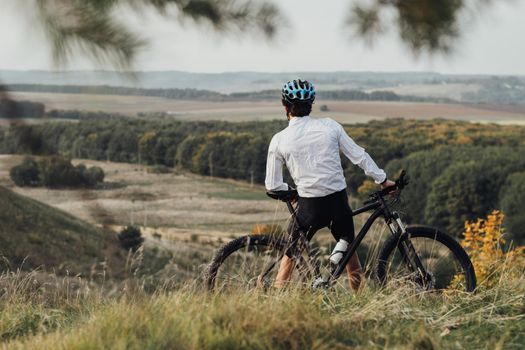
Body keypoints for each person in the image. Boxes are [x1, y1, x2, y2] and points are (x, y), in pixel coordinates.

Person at [264, 79, 395, 291]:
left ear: (285, 106)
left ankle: (276, 298)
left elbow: (273, 185)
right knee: (349, 253)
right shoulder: (330, 126)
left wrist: (292, 193)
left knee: (290, 254)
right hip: (337, 203)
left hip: (308, 206)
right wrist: (382, 179)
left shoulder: (279, 139)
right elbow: (358, 156)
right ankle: (358, 300)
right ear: (311, 104)